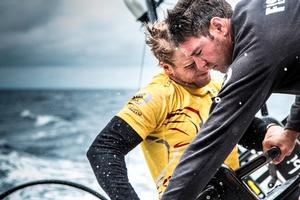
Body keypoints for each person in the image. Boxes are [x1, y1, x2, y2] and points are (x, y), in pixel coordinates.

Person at [86, 20, 241, 200]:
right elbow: (103, 149)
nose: (202, 66)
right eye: (190, 65)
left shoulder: (216, 86)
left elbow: (241, 128)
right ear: (167, 68)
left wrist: (269, 131)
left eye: (200, 56)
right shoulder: (158, 95)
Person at [161, 0, 300, 199]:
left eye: (199, 53)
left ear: (219, 26)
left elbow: (209, 146)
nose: (201, 66)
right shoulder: (252, 7)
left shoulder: (256, 53)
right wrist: (292, 129)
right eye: (193, 59)